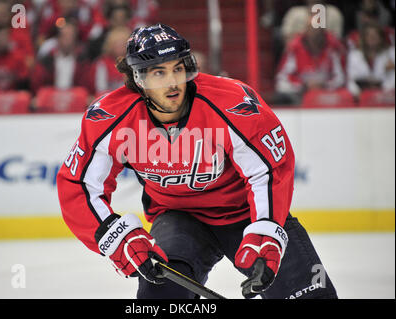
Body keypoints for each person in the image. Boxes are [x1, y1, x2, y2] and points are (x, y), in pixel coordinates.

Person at [56, 24, 337, 299]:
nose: (172, 82)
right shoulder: (109, 117)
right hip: (178, 216)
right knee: (159, 298)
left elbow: (268, 170)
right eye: (159, 73)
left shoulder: (231, 102)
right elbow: (78, 184)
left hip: (244, 211)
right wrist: (116, 237)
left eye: (178, 68)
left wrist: (266, 228)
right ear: (138, 78)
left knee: (310, 295)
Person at [347, 23, 395, 98]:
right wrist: (358, 93)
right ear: (364, 38)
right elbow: (352, 79)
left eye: (375, 35)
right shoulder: (354, 55)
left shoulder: (391, 53)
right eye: (369, 35)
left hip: (385, 95)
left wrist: (382, 90)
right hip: (361, 95)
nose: (372, 38)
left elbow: (393, 78)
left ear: (381, 37)